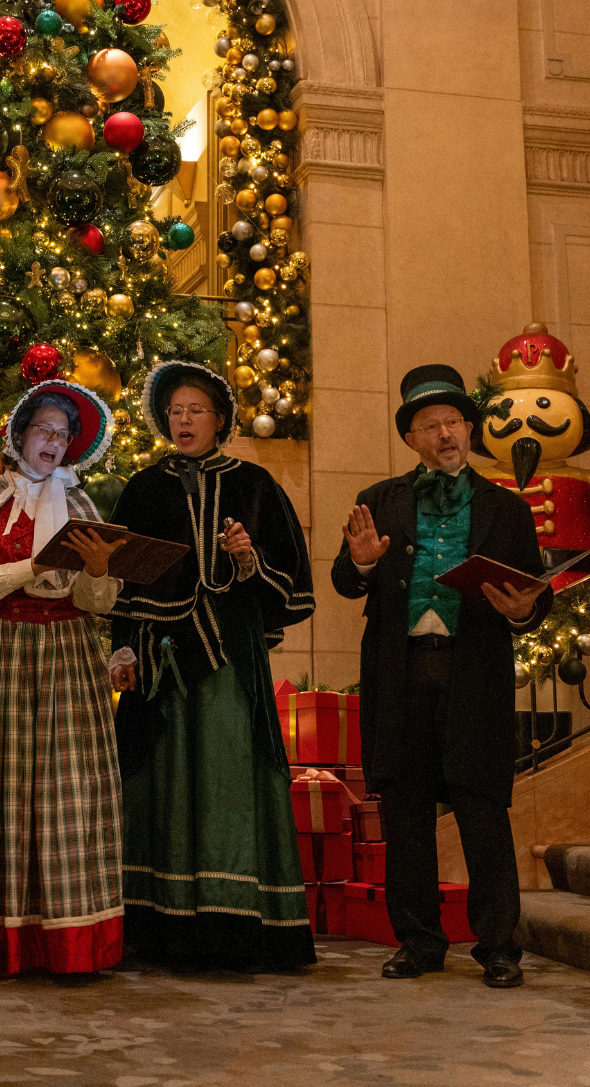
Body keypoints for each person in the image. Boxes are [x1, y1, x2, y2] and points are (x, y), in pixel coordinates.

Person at [331, 363, 553, 989]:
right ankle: (419, 942)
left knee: (483, 810)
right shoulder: (380, 500)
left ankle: (499, 948)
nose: (443, 434)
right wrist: (362, 563)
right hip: (399, 674)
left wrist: (526, 608)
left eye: (452, 421)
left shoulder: (505, 507)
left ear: (469, 428)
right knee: (404, 812)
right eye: (428, 425)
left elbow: (534, 592)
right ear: (411, 438)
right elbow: (344, 584)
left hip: (474, 673)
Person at [109, 361, 316, 971]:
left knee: (227, 777)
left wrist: (248, 558)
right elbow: (120, 576)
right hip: (161, 660)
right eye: (175, 411)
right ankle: (161, 924)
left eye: (196, 410)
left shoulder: (254, 484)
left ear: (221, 419)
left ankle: (234, 925)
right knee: (165, 778)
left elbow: (291, 585)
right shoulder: (143, 489)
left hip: (230, 656)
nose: (184, 420)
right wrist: (124, 649)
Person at [0, 379, 125, 977]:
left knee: (70, 793)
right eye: (42, 430)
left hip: (69, 659)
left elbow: (98, 602)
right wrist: (30, 567)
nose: (52, 442)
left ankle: (69, 943)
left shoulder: (86, 509)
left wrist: (95, 572)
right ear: (19, 435)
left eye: (62, 434)